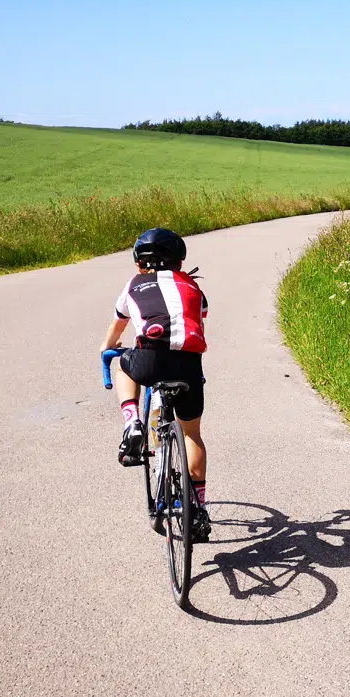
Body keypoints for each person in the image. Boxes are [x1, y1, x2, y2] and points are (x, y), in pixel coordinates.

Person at [102, 227, 212, 542]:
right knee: (192, 434)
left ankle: (133, 424)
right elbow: (201, 313)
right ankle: (197, 510)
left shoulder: (134, 285)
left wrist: (106, 348)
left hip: (150, 357)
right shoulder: (192, 284)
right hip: (188, 363)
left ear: (140, 263)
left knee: (124, 367)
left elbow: (117, 324)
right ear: (179, 262)